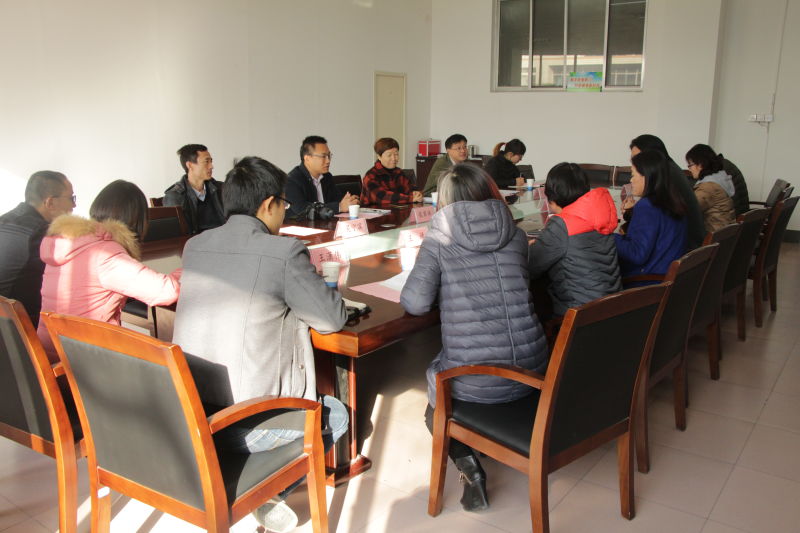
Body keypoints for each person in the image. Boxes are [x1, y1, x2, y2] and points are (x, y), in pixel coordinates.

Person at [172, 156, 348, 532]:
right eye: (283, 204)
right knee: (337, 413)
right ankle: (264, 491)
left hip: (192, 416)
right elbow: (331, 318)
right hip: (248, 424)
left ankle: (255, 486)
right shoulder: (283, 252)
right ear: (269, 204)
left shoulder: (195, 246)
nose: (284, 212)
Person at [400, 164, 549, 513]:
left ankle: (470, 468)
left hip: (480, 381)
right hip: (535, 370)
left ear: (445, 201)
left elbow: (416, 303)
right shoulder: (515, 234)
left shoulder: (440, 238)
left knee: (434, 407)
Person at [37, 180, 181, 361]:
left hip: (52, 349)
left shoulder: (69, 244)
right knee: (170, 359)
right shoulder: (104, 254)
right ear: (139, 220)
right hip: (84, 359)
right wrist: (188, 270)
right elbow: (166, 292)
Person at [528, 163, 621, 317]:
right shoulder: (600, 214)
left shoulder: (561, 225)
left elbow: (532, 266)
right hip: (614, 307)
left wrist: (531, 248)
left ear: (551, 195)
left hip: (580, 315)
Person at [0, 171, 75, 327]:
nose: (74, 205)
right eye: (71, 198)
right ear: (50, 202)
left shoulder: (4, 220)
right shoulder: (43, 234)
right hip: (20, 327)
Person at [615, 150, 688, 284]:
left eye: (633, 175)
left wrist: (608, 237)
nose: (631, 180)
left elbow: (637, 254)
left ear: (647, 176)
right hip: (668, 278)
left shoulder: (647, 206)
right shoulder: (673, 200)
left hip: (648, 283)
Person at [629, 134, 704, 249]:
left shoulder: (666, 175)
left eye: (638, 158)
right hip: (685, 243)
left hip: (686, 245)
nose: (635, 162)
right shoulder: (669, 168)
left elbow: (652, 219)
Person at [286, 135, 358, 218]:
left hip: (327, 223)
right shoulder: (292, 180)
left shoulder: (327, 177)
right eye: (323, 156)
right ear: (307, 158)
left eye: (329, 156)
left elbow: (338, 199)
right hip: (300, 225)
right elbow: (302, 209)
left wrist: (350, 201)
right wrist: (339, 207)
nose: (328, 161)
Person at [164, 144, 226, 234]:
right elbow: (175, 233)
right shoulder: (175, 196)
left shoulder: (220, 188)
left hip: (224, 238)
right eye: (206, 162)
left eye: (211, 161)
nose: (211, 166)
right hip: (195, 241)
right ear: (190, 165)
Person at [685, 144, 736, 233]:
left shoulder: (708, 187)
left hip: (714, 237)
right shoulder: (720, 178)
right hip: (725, 234)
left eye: (690, 165)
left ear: (700, 164)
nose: (689, 169)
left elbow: (688, 209)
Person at [360, 137, 423, 206]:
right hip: (373, 212)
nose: (394, 158)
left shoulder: (399, 172)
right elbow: (382, 197)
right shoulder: (370, 176)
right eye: (389, 155)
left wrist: (416, 194)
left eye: (396, 154)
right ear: (379, 157)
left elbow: (410, 188)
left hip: (396, 211)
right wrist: (410, 198)